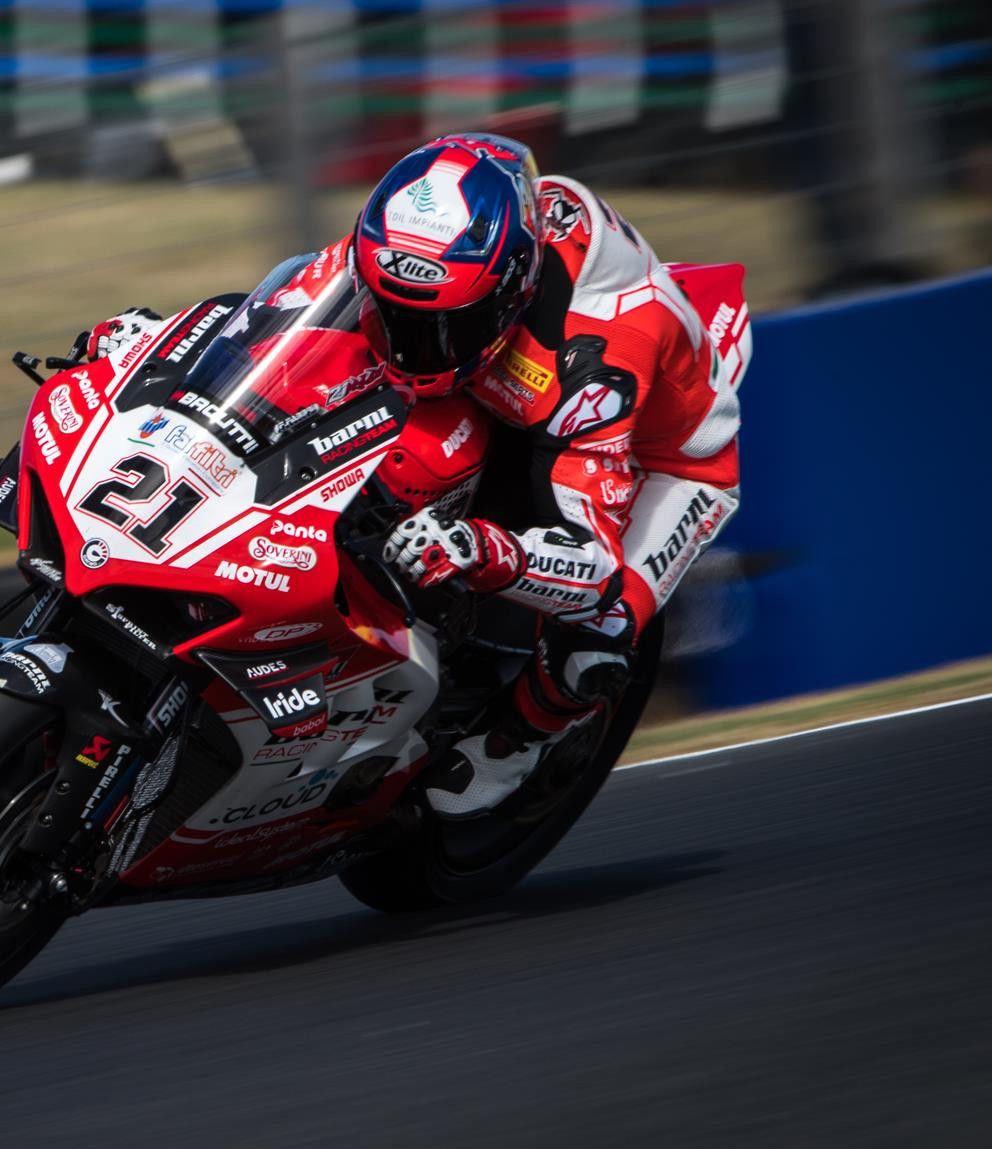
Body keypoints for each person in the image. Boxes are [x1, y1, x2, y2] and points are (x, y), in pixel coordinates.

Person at [80, 134, 746, 818]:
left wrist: (487, 550)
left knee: (602, 623)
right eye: (392, 313)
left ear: (509, 292)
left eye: (434, 326)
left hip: (661, 458)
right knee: (372, 431)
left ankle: (518, 745)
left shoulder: (594, 362)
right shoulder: (403, 249)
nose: (404, 342)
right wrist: (157, 347)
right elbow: (267, 322)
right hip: (491, 375)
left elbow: (592, 563)